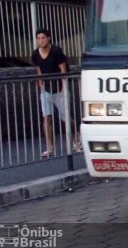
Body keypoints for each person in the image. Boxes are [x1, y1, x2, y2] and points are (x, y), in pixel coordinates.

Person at [32, 28, 80, 157]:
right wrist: (40, 83)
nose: (41, 40)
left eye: (43, 38)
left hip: (59, 89)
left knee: (65, 117)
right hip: (46, 89)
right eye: (39, 38)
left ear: (48, 38)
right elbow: (39, 69)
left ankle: (77, 141)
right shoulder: (36, 53)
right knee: (46, 117)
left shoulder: (56, 51)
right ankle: (49, 148)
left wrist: (64, 87)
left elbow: (63, 68)